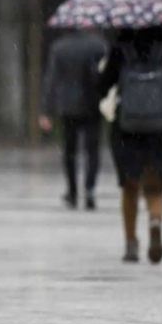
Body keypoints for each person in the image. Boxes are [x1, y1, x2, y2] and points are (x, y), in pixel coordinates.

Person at [96, 26, 162, 264]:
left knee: (130, 185)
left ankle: (131, 243)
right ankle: (155, 222)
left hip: (127, 128)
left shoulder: (121, 51)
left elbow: (103, 87)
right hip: (159, 129)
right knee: (155, 187)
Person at [39, 31, 107, 210]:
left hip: (68, 106)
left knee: (70, 151)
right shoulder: (99, 46)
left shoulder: (60, 48)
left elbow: (51, 80)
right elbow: (106, 75)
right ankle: (90, 188)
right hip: (93, 104)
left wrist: (47, 111)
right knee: (93, 150)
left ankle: (72, 191)